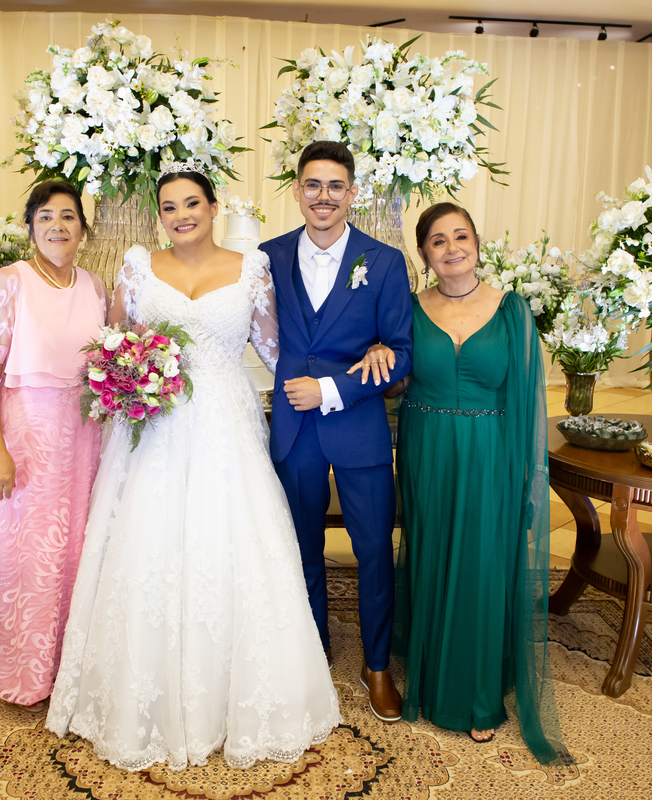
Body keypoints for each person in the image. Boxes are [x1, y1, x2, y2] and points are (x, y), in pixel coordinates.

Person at [45, 165, 343, 771]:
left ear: (213, 208)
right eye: (169, 207)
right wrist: (129, 375)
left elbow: (276, 350)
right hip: (155, 424)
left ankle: (241, 698)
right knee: (147, 543)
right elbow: (116, 343)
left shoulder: (252, 268)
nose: (181, 215)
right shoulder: (138, 266)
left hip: (225, 423)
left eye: (191, 204)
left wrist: (341, 371)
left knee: (230, 542)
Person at [385, 201, 566, 763]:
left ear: (477, 244)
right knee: (434, 555)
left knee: (483, 563)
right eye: (438, 240)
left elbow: (527, 400)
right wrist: (381, 357)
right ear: (424, 254)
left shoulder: (512, 310)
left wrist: (525, 476)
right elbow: (394, 385)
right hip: (428, 449)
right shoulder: (409, 308)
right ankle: (431, 674)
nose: (451, 248)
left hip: (491, 453)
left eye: (460, 236)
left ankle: (479, 695)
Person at [258, 141, 414, 723]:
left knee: (373, 551)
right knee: (301, 550)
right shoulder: (267, 257)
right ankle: (313, 652)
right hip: (294, 431)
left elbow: (400, 354)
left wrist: (332, 388)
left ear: (352, 193)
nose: (323, 196)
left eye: (335, 186)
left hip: (358, 428)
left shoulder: (386, 261)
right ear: (297, 190)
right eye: (313, 184)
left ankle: (377, 666)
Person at [0, 180, 108, 706]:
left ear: (83, 229)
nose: (57, 226)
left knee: (76, 548)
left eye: (67, 216)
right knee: (27, 551)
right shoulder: (10, 282)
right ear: (30, 228)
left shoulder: (95, 287)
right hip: (29, 434)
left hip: (84, 433)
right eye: (45, 216)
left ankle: (68, 670)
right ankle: (23, 677)